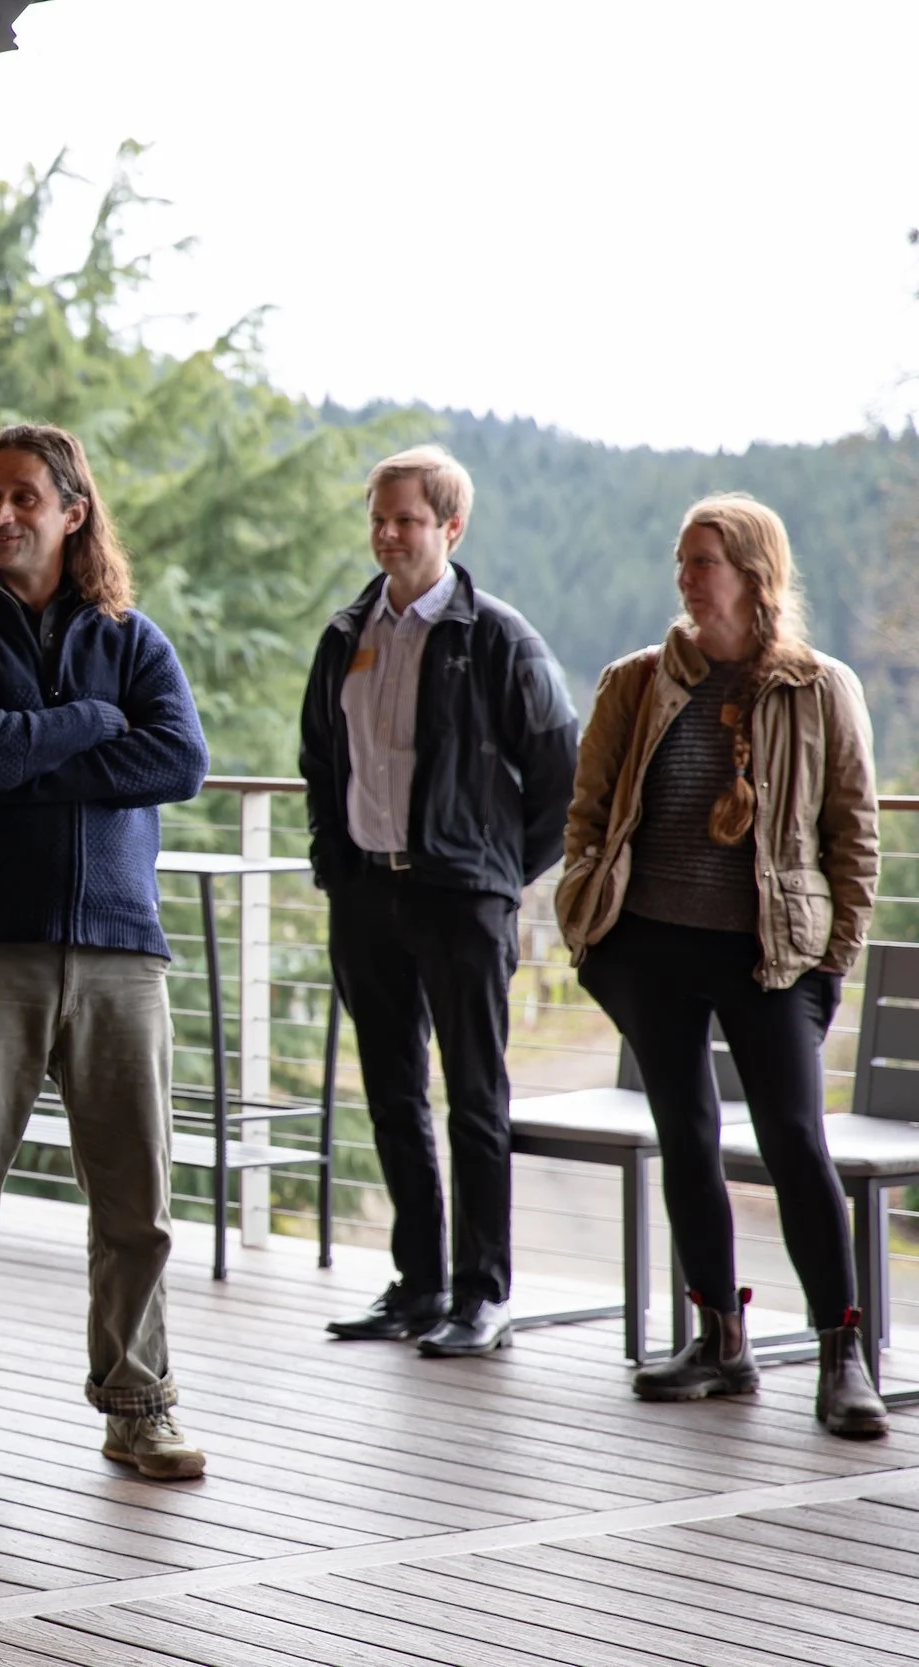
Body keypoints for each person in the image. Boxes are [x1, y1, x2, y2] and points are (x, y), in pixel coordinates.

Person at [0, 423, 211, 1485]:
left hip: (122, 951)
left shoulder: (135, 639)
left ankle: (139, 1406)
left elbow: (180, 760)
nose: (2, 513)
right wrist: (90, 720)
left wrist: (22, 759)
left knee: (137, 1208)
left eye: (25, 495)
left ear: (74, 512)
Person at [558, 493, 886, 1437]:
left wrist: (832, 959)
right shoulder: (635, 682)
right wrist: (592, 923)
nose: (686, 577)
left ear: (754, 574)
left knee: (794, 1141)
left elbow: (853, 835)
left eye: (703, 560)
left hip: (771, 956)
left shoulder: (820, 688)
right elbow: (589, 813)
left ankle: (843, 1355)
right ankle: (719, 1343)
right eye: (682, 559)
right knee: (687, 1137)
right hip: (651, 947)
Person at [300, 445, 578, 1358]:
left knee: (474, 1098)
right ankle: (420, 1286)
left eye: (407, 520)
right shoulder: (346, 632)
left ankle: (483, 1295)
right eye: (378, 518)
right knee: (391, 1094)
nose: (387, 534)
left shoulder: (498, 637)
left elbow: (563, 781)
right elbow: (320, 760)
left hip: (462, 901)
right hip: (365, 894)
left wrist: (495, 874)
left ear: (451, 527)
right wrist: (336, 866)